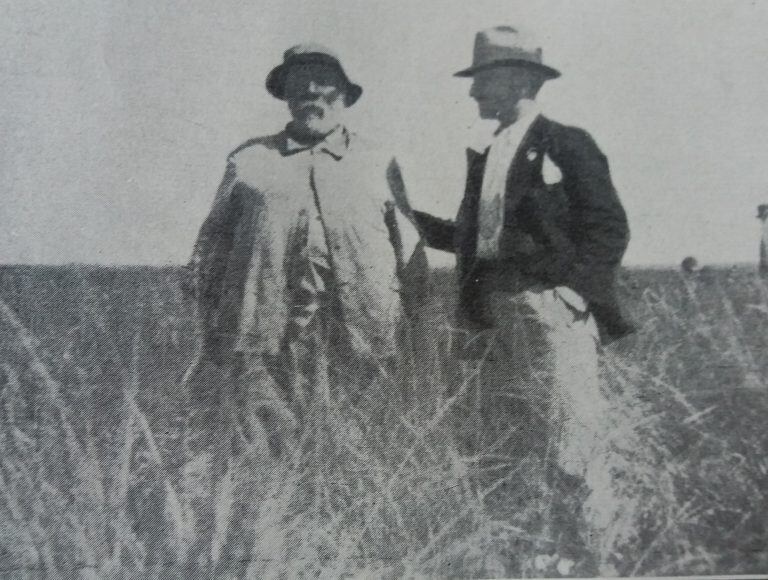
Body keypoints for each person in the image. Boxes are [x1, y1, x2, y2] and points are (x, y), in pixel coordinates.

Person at [181, 43, 426, 572]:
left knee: (357, 459)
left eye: (325, 86)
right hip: (264, 345)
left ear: (344, 96)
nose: (314, 95)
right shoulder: (248, 162)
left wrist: (409, 330)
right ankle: (277, 563)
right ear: (287, 96)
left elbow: (412, 254)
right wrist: (217, 338)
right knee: (267, 464)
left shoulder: (379, 161)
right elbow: (207, 255)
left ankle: (356, 561)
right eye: (302, 85)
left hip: (360, 345)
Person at [413, 26, 634, 564]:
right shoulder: (489, 153)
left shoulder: (567, 143)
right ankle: (537, 558)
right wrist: (402, 212)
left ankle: (590, 559)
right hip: (494, 313)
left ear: (517, 80)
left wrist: (571, 297)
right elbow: (475, 241)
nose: (473, 95)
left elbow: (609, 228)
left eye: (482, 82)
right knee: (514, 438)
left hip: (547, 309)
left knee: (570, 437)